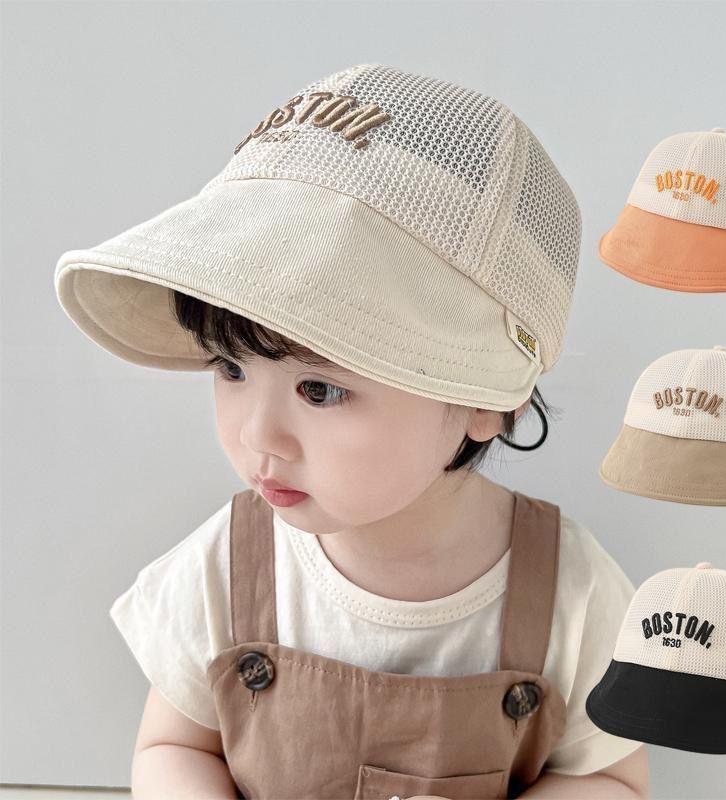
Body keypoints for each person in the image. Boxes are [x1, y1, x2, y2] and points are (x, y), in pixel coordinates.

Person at [54, 63, 649, 799]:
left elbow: (610, 777)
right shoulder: (228, 567)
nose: (260, 437)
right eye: (231, 369)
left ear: (484, 400)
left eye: (322, 390)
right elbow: (174, 745)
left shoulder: (573, 594)